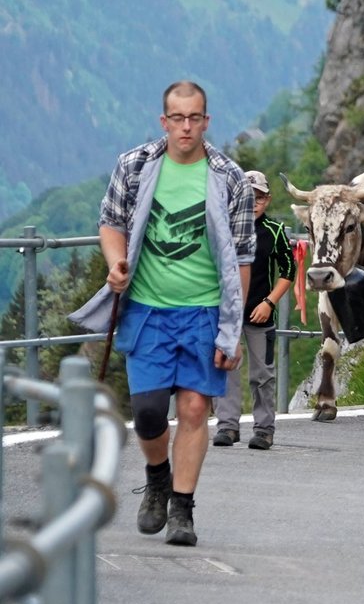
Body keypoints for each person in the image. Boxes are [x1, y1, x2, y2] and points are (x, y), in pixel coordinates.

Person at [70, 81, 254, 546]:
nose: (186, 127)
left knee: (194, 407)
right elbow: (111, 223)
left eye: (195, 118)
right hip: (148, 311)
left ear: (207, 122)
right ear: (164, 121)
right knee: (150, 414)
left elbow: (243, 259)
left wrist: (230, 332)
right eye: (178, 118)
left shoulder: (229, 177)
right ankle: (157, 475)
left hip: (204, 312)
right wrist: (116, 264)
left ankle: (182, 510)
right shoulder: (134, 166)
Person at [212, 170, 293, 450]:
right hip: (227, 314)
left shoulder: (275, 231)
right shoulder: (222, 230)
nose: (253, 202)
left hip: (260, 313)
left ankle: (264, 429)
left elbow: (289, 269)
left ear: (267, 200)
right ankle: (227, 426)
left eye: (258, 197)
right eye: (247, 197)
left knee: (263, 373)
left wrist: (269, 302)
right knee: (225, 369)